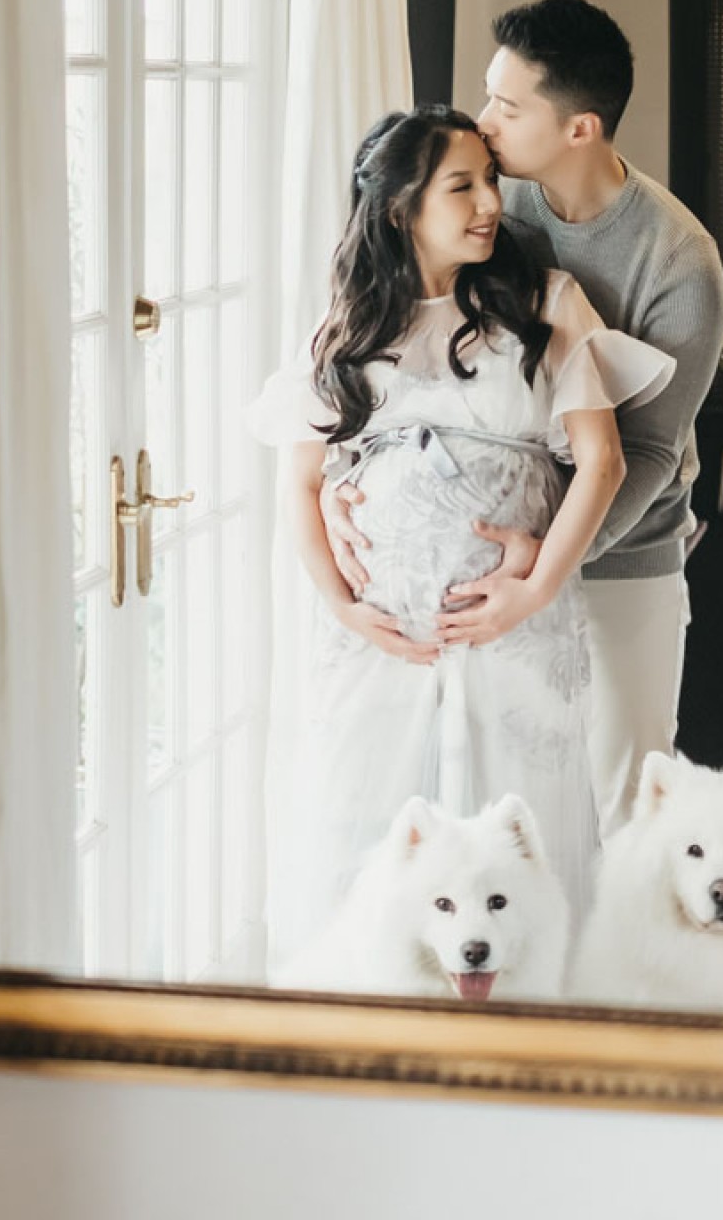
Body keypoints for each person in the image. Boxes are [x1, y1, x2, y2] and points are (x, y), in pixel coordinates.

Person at [249, 105, 674, 951]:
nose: (489, 203)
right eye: (461, 186)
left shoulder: (545, 304)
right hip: (384, 643)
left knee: (516, 836)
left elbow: (603, 464)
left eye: (489, 179)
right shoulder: (346, 329)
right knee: (372, 840)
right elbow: (300, 482)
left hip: (513, 632)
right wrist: (343, 608)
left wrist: (536, 589)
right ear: (400, 207)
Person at [325, 0, 723, 839]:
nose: (484, 119)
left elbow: (650, 452)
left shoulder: (679, 261)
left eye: (508, 107)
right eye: (488, 93)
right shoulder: (493, 215)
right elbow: (413, 359)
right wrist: (340, 485)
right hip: (485, 574)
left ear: (580, 128)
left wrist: (545, 566)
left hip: (624, 562)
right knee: (508, 815)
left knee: (623, 804)